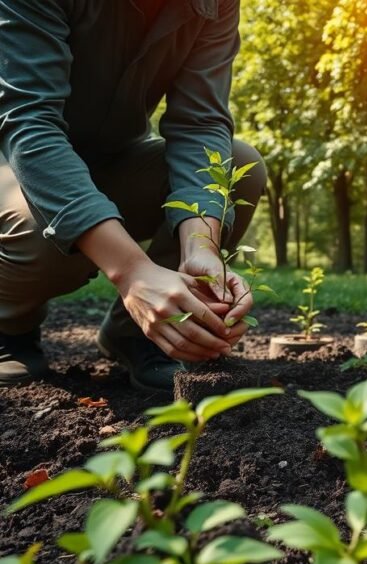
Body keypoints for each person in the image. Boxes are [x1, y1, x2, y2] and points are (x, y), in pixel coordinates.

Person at [0, 0, 263, 392]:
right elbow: (29, 123)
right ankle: (10, 325)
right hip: (14, 163)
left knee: (241, 166)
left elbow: (201, 122)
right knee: (41, 228)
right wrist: (131, 271)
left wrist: (200, 247)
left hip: (114, 158)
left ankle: (139, 332)